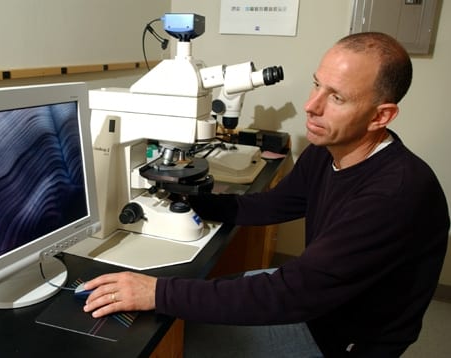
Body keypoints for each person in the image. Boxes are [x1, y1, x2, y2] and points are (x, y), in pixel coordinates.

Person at [82, 32, 450, 357]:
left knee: (174, 339)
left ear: (380, 116)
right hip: (318, 297)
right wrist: (190, 202)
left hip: (340, 338)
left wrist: (157, 292)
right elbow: (274, 204)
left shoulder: (395, 195)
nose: (312, 105)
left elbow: (291, 294)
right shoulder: (327, 151)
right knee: (188, 303)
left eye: (336, 97)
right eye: (316, 84)